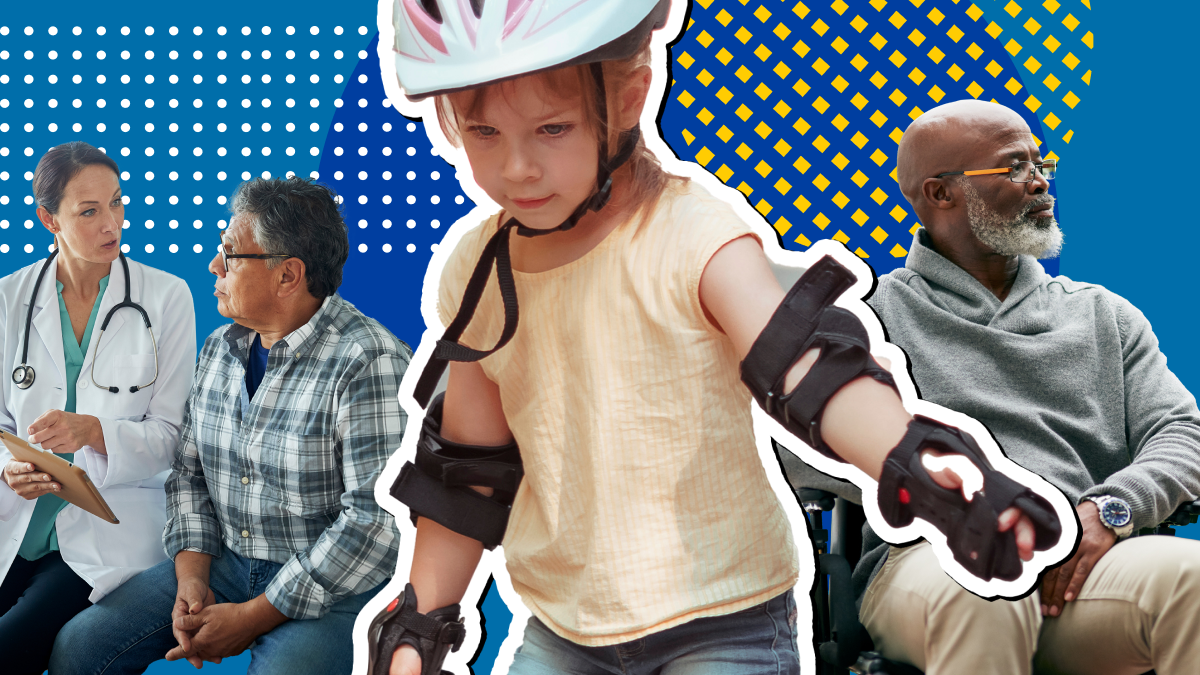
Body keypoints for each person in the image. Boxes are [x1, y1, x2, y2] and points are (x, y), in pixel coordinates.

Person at [369, 2, 1064, 674]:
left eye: (552, 129)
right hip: (565, 630)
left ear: (633, 92)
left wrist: (915, 460)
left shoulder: (692, 235)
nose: (516, 167)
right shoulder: (480, 270)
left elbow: (805, 366)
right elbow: (466, 472)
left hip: (721, 619)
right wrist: (420, 625)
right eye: (483, 131)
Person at [855, 99, 1200, 675]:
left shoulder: (1103, 315)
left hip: (1077, 558)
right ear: (942, 194)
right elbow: (803, 446)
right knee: (988, 590)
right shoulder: (868, 319)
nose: (1041, 183)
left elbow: (1182, 433)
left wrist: (1110, 510)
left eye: (1042, 164)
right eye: (1014, 167)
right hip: (930, 561)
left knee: (1193, 581)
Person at [50, 177, 410, 674]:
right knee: (80, 647)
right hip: (230, 562)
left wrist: (254, 616)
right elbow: (190, 473)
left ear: (288, 276)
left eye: (230, 253)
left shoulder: (370, 362)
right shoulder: (221, 348)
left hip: (334, 585)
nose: (214, 266)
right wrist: (192, 579)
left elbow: (375, 524)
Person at [0, 141, 196, 674]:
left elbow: (173, 436)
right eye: (89, 211)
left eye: (117, 203)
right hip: (15, 516)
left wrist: (94, 432)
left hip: (105, 526)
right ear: (49, 219)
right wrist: (9, 467)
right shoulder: (7, 298)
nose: (112, 223)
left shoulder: (166, 296)